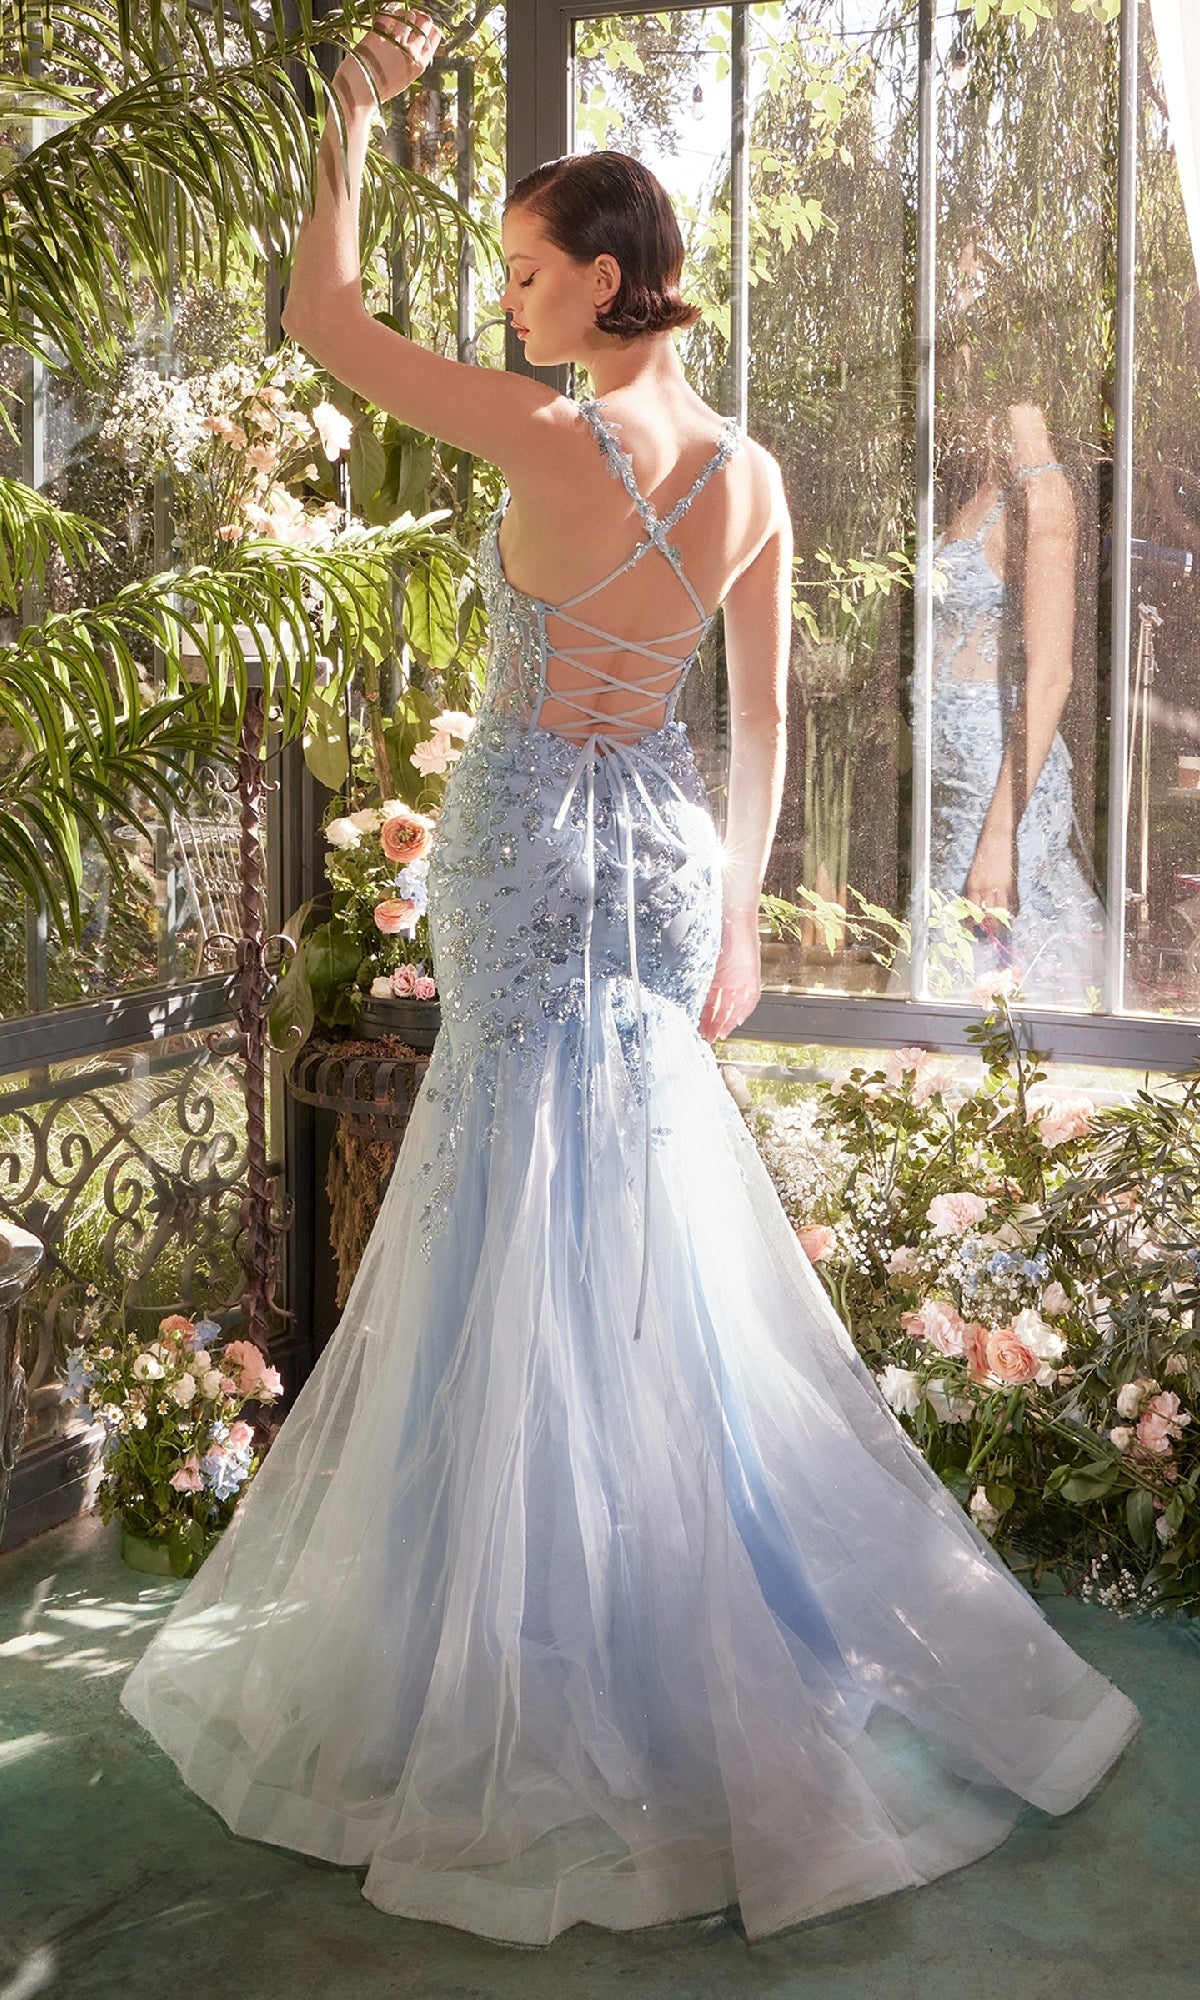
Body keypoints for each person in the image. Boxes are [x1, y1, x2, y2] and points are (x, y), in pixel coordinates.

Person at [120, 11, 1139, 1947]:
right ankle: (660, 1613)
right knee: (643, 1205)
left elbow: (325, 330)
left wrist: (348, 124)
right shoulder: (749, 477)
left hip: (519, 841)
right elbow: (754, 723)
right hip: (662, 849)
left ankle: (508, 1648)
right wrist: (744, 912)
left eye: (521, 271)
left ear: (604, 282)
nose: (508, 303)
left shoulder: (549, 425)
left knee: (502, 1198)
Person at [926, 394, 1106, 1005]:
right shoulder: (981, 481)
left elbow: (1053, 673)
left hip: (1000, 792)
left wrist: (1000, 835)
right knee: (951, 973)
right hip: (955, 793)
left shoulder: (1041, 495)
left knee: (989, 976)